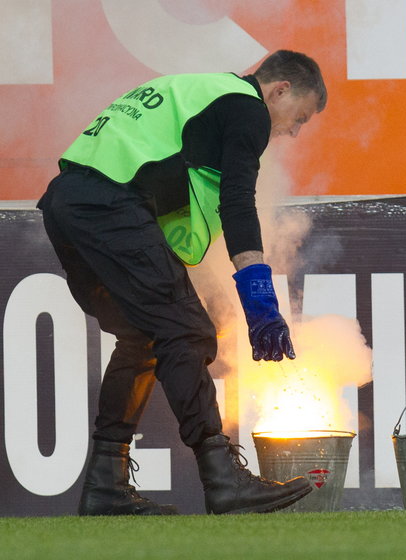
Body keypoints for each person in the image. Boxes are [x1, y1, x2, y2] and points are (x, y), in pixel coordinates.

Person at [37, 50, 327, 515]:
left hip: (66, 204)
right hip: (108, 205)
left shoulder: (197, 91)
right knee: (187, 331)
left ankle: (104, 486)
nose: (292, 131)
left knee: (142, 337)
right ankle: (224, 480)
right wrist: (258, 299)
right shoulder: (247, 107)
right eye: (300, 119)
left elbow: (166, 193)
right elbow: (236, 201)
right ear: (280, 90)